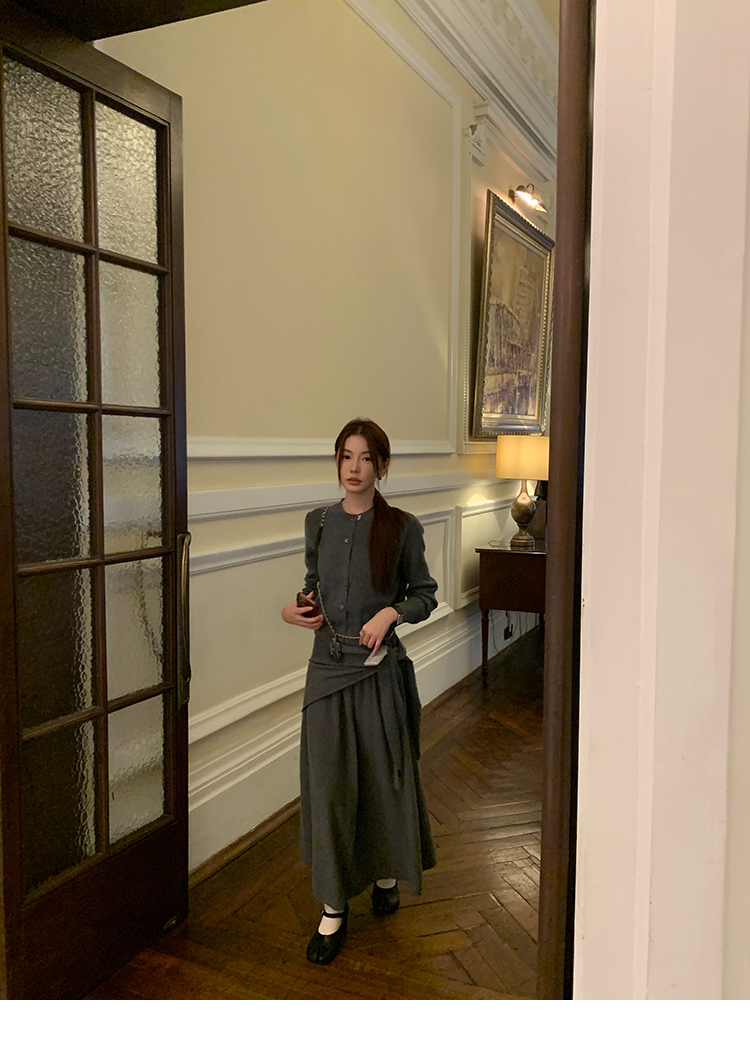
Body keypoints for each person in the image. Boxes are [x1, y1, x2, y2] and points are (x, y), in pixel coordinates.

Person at [281, 418, 438, 964]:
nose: (354, 467)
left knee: (381, 777)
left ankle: (387, 873)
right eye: (346, 456)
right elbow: (312, 587)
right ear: (336, 462)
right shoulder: (318, 522)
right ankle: (333, 906)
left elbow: (424, 594)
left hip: (377, 671)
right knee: (328, 785)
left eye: (366, 458)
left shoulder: (402, 527)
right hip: (326, 669)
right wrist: (294, 610)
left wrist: (391, 612)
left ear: (382, 466)